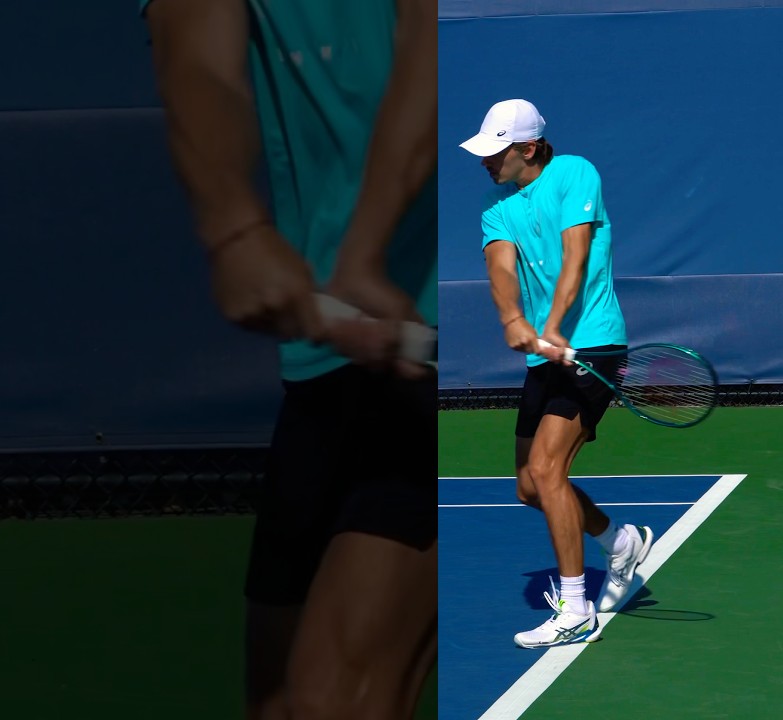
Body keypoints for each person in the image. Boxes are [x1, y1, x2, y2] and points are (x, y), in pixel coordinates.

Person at [141, 1, 437, 718]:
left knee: (335, 700)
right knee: (274, 698)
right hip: (331, 365)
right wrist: (234, 227)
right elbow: (197, 55)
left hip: (441, 338)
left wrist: (365, 251)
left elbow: (440, 41)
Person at [459, 99, 655, 648]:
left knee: (547, 468)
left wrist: (550, 324)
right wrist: (513, 319)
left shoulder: (574, 172)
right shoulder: (496, 209)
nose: (485, 162)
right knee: (529, 486)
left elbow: (576, 256)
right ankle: (619, 544)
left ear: (527, 148)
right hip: (544, 354)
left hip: (591, 343)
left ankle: (576, 609)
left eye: (494, 152)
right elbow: (500, 269)